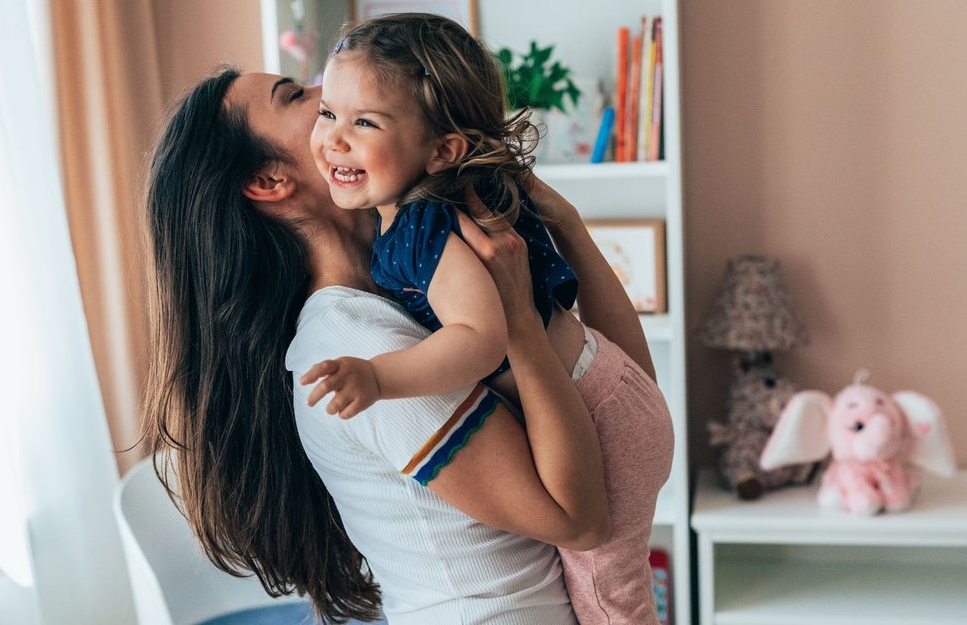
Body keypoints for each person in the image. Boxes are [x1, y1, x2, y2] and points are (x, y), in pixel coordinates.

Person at [141, 66, 660, 624]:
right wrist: (521, 323)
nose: (330, 93)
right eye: (297, 96)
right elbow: (578, 520)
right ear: (269, 182)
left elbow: (623, 383)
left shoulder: (412, 286)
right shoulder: (358, 346)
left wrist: (569, 229)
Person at [297, 13, 673, 623]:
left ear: (443, 150)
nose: (335, 138)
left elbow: (480, 337)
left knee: (611, 601)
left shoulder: (424, 229)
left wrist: (380, 378)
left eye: (364, 122)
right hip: (611, 387)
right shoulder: (441, 209)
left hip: (599, 415)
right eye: (327, 112)